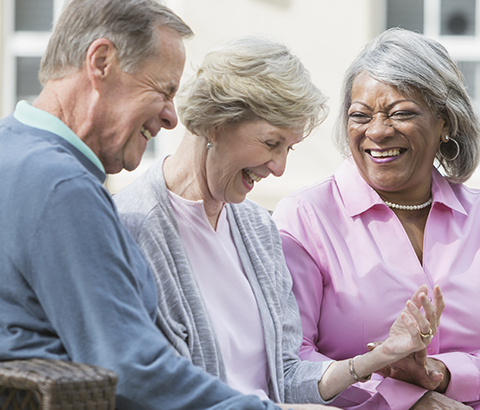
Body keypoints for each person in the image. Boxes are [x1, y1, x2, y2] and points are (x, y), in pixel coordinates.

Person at [114, 36, 445, 408]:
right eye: (272, 143)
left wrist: (379, 357)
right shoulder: (131, 228)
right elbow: (166, 390)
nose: (279, 168)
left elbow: (286, 376)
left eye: (288, 149)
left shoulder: (256, 226)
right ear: (215, 123)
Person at [0, 1, 297, 409]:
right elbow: (132, 370)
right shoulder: (63, 188)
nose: (173, 117)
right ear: (101, 61)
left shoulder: (11, 151)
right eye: (163, 90)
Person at [272, 28, 480, 410]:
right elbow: (292, 363)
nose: (378, 131)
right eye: (360, 116)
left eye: (400, 113)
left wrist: (441, 374)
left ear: (445, 122)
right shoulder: (305, 217)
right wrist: (409, 401)